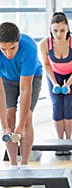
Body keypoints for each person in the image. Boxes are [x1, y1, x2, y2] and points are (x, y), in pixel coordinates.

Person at [39, 12, 72, 155]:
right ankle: (60, 143)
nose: (58, 34)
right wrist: (54, 83)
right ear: (50, 30)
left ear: (68, 29)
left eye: (62, 30)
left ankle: (68, 142)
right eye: (55, 31)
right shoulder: (45, 44)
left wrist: (68, 84)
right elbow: (46, 65)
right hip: (55, 74)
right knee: (56, 105)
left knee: (67, 104)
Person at [0, 22, 43, 169]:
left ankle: (24, 165)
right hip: (7, 79)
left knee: (26, 119)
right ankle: (13, 166)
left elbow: (25, 88)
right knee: (9, 115)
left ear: (18, 42)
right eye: (3, 49)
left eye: (12, 48)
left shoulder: (29, 47)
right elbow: (0, 92)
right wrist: (5, 126)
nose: (8, 54)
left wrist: (20, 126)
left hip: (32, 78)